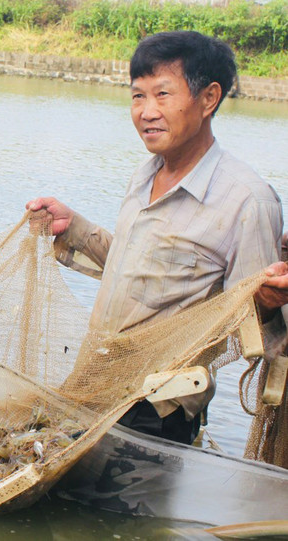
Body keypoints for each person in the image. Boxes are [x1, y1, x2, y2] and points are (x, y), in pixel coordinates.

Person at [26, 30, 287, 444]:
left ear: (208, 98)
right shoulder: (145, 174)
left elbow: (249, 328)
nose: (147, 111)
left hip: (155, 412)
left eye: (162, 94)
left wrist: (268, 303)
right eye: (137, 96)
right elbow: (135, 268)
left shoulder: (249, 201)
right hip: (94, 384)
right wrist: (72, 226)